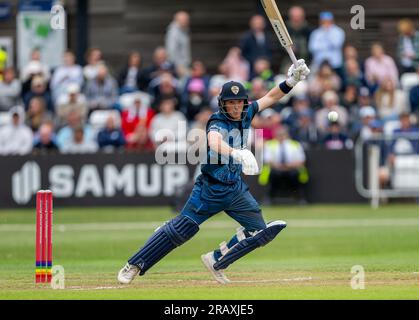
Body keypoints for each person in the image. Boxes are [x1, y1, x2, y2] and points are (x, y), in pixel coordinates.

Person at [117, 59, 310, 284]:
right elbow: (215, 142)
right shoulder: (217, 121)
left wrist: (292, 80)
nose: (237, 107)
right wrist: (237, 154)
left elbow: (271, 97)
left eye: (240, 102)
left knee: (259, 232)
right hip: (209, 189)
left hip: (235, 189)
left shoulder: (247, 112)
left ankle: (217, 259)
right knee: (181, 230)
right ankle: (134, 264)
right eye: (232, 103)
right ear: (223, 104)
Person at [308, 12, 345, 77]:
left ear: (332, 21)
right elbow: (312, 48)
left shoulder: (339, 31)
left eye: (328, 21)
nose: (326, 23)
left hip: (335, 64)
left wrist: (327, 33)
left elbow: (336, 44)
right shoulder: (316, 33)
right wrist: (327, 46)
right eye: (324, 21)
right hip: (319, 63)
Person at [165, 11, 191, 77]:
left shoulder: (183, 31)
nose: (187, 21)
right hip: (179, 66)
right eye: (185, 19)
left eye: (187, 19)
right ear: (178, 20)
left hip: (183, 65)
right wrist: (178, 66)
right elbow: (171, 50)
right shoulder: (174, 32)